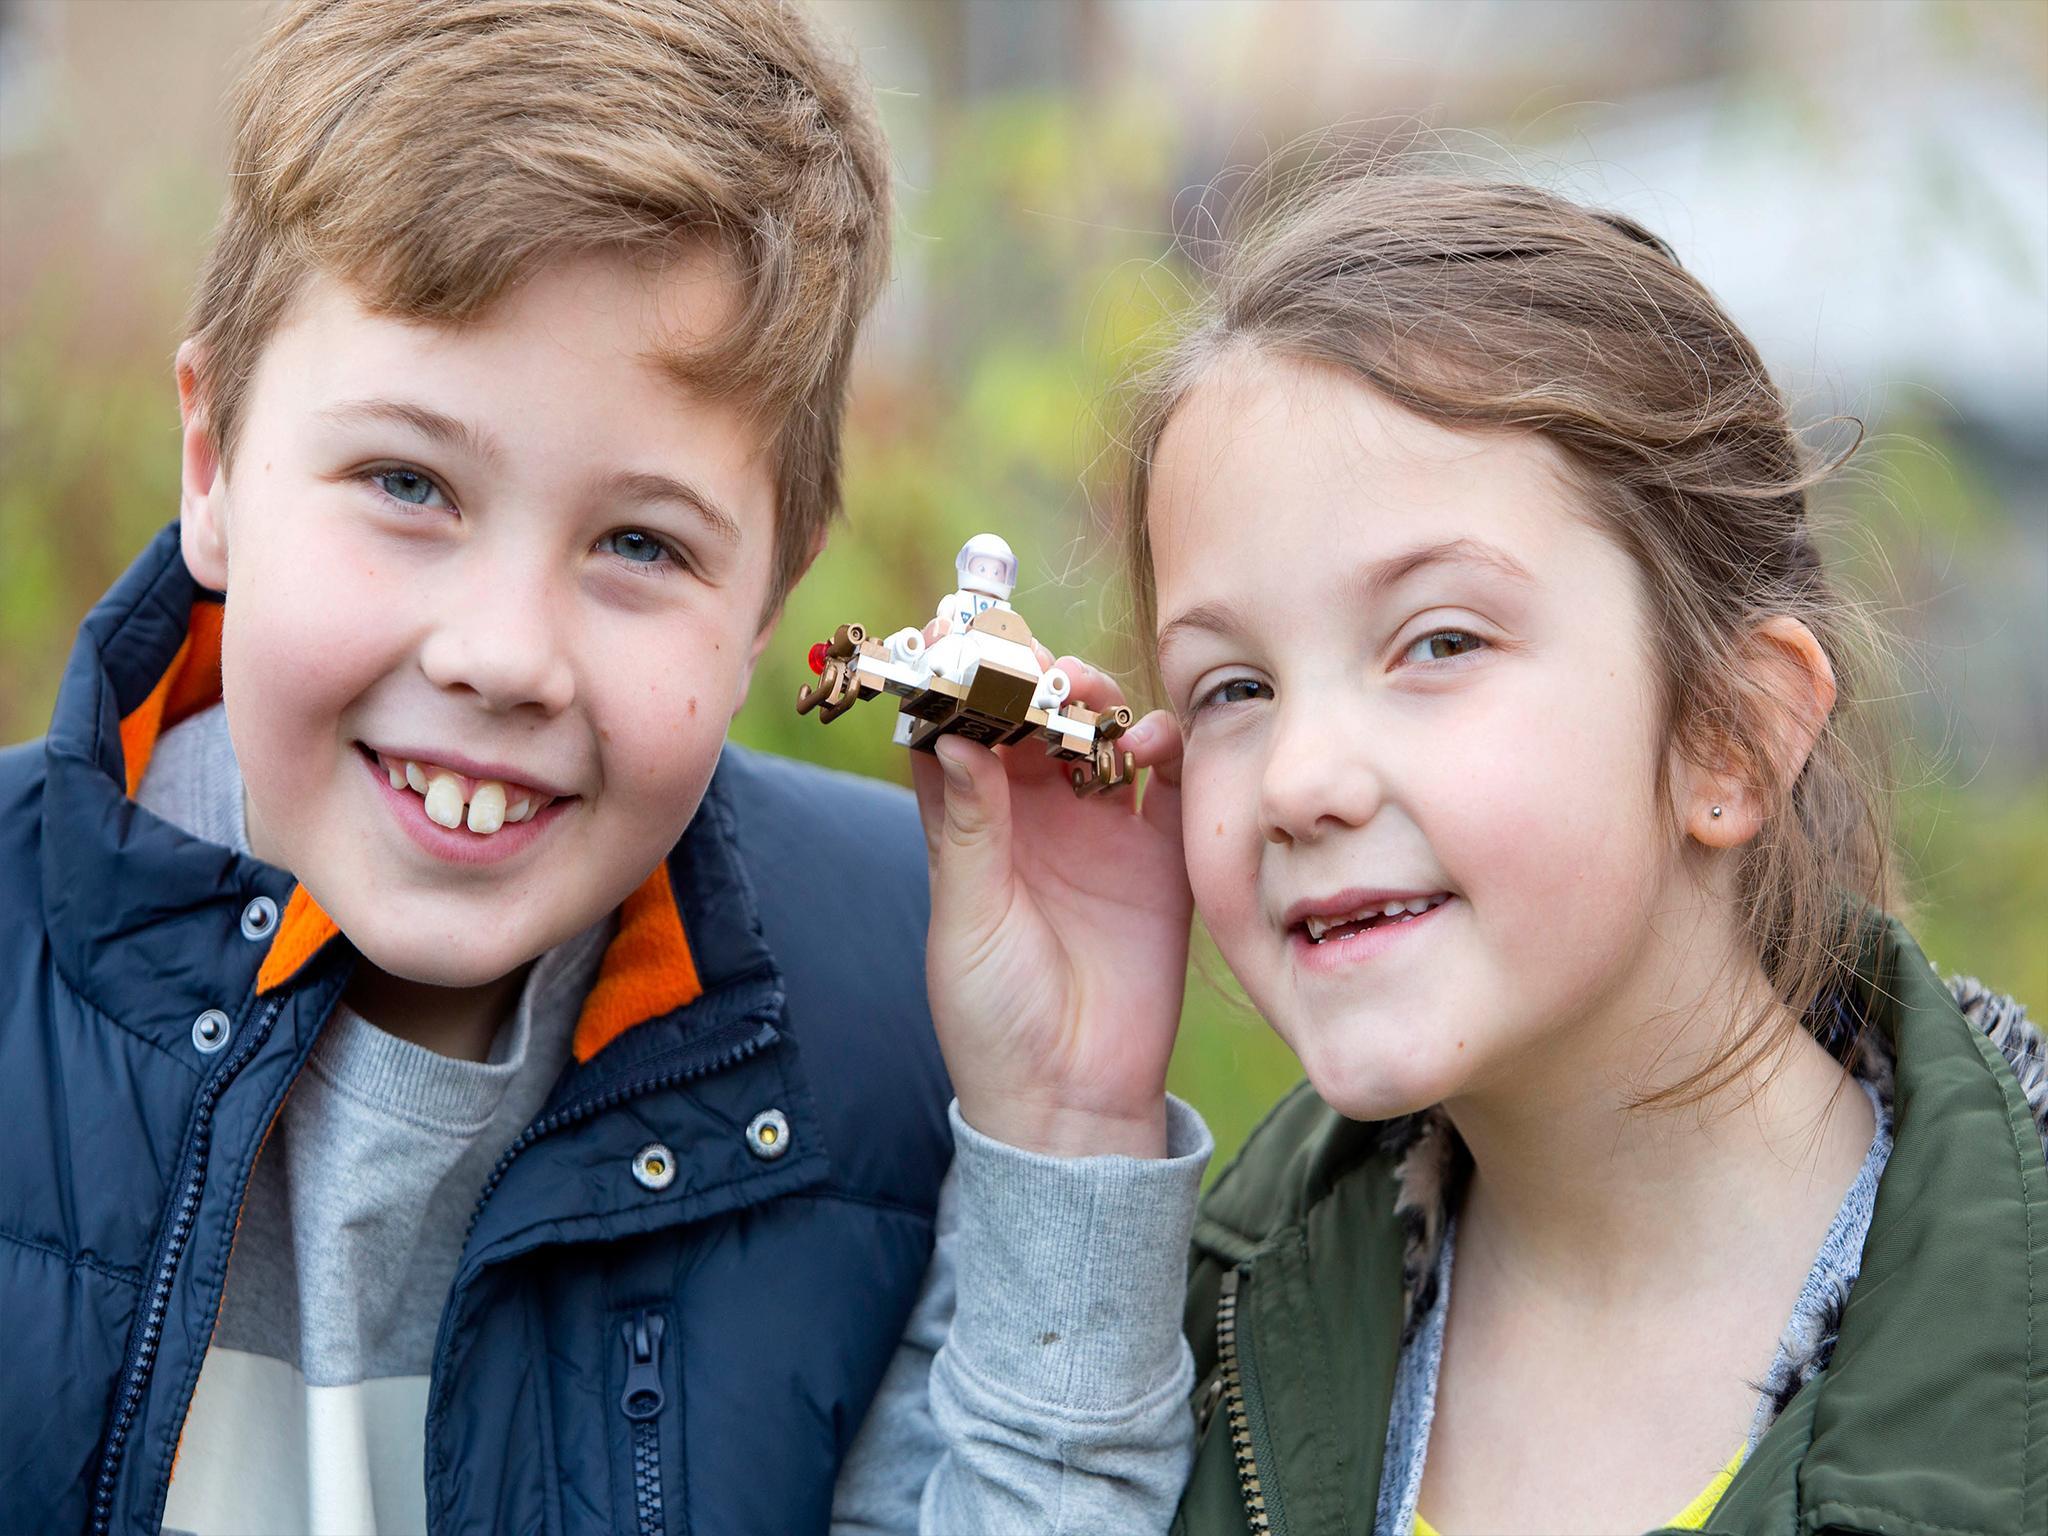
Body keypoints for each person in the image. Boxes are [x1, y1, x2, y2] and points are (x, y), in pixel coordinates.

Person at [910, 165, 2043, 1534]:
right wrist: (1077, 1137)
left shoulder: (2008, 1383)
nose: (1300, 780)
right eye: (1234, 689)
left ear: (1731, 738)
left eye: (1438, 642)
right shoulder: (1195, 1339)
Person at [0, 2, 956, 1531]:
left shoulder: (911, 1016)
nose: (503, 654)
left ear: (773, 595)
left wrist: (1068, 1139)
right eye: (407, 483)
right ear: (212, 463)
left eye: (641, 543)